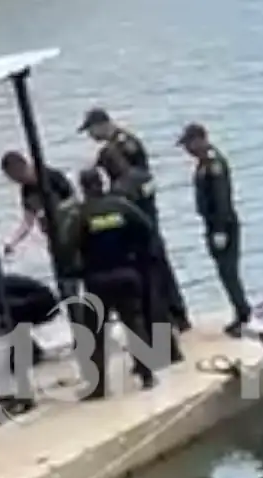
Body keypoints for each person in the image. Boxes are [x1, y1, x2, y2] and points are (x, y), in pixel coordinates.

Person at [80, 108, 192, 332]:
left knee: (154, 264)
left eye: (91, 130)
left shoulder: (124, 146)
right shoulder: (112, 149)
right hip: (135, 211)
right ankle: (170, 314)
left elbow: (138, 180)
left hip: (139, 212)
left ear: (101, 125)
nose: (91, 136)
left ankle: (174, 315)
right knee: (153, 264)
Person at [64, 167, 162, 397]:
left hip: (97, 279)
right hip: (126, 274)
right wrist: (139, 258)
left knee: (96, 333)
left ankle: (98, 387)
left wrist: (77, 270)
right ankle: (147, 375)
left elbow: (68, 247)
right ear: (102, 182)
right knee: (134, 324)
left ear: (83, 188)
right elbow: (147, 230)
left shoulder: (81, 215)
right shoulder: (121, 207)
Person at [177, 122, 252, 337]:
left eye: (189, 144)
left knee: (229, 272)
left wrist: (220, 229)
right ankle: (240, 311)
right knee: (224, 273)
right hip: (212, 225)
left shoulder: (213, 163)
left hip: (223, 225)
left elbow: (221, 198)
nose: (187, 150)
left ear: (200, 139)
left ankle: (244, 314)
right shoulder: (204, 163)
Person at [0, 150, 76, 257]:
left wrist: (53, 213)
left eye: (13, 176)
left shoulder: (52, 177)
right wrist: (12, 243)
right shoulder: (26, 191)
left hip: (73, 234)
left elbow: (74, 202)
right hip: (54, 238)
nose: (14, 181)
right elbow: (28, 221)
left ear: (19, 168)